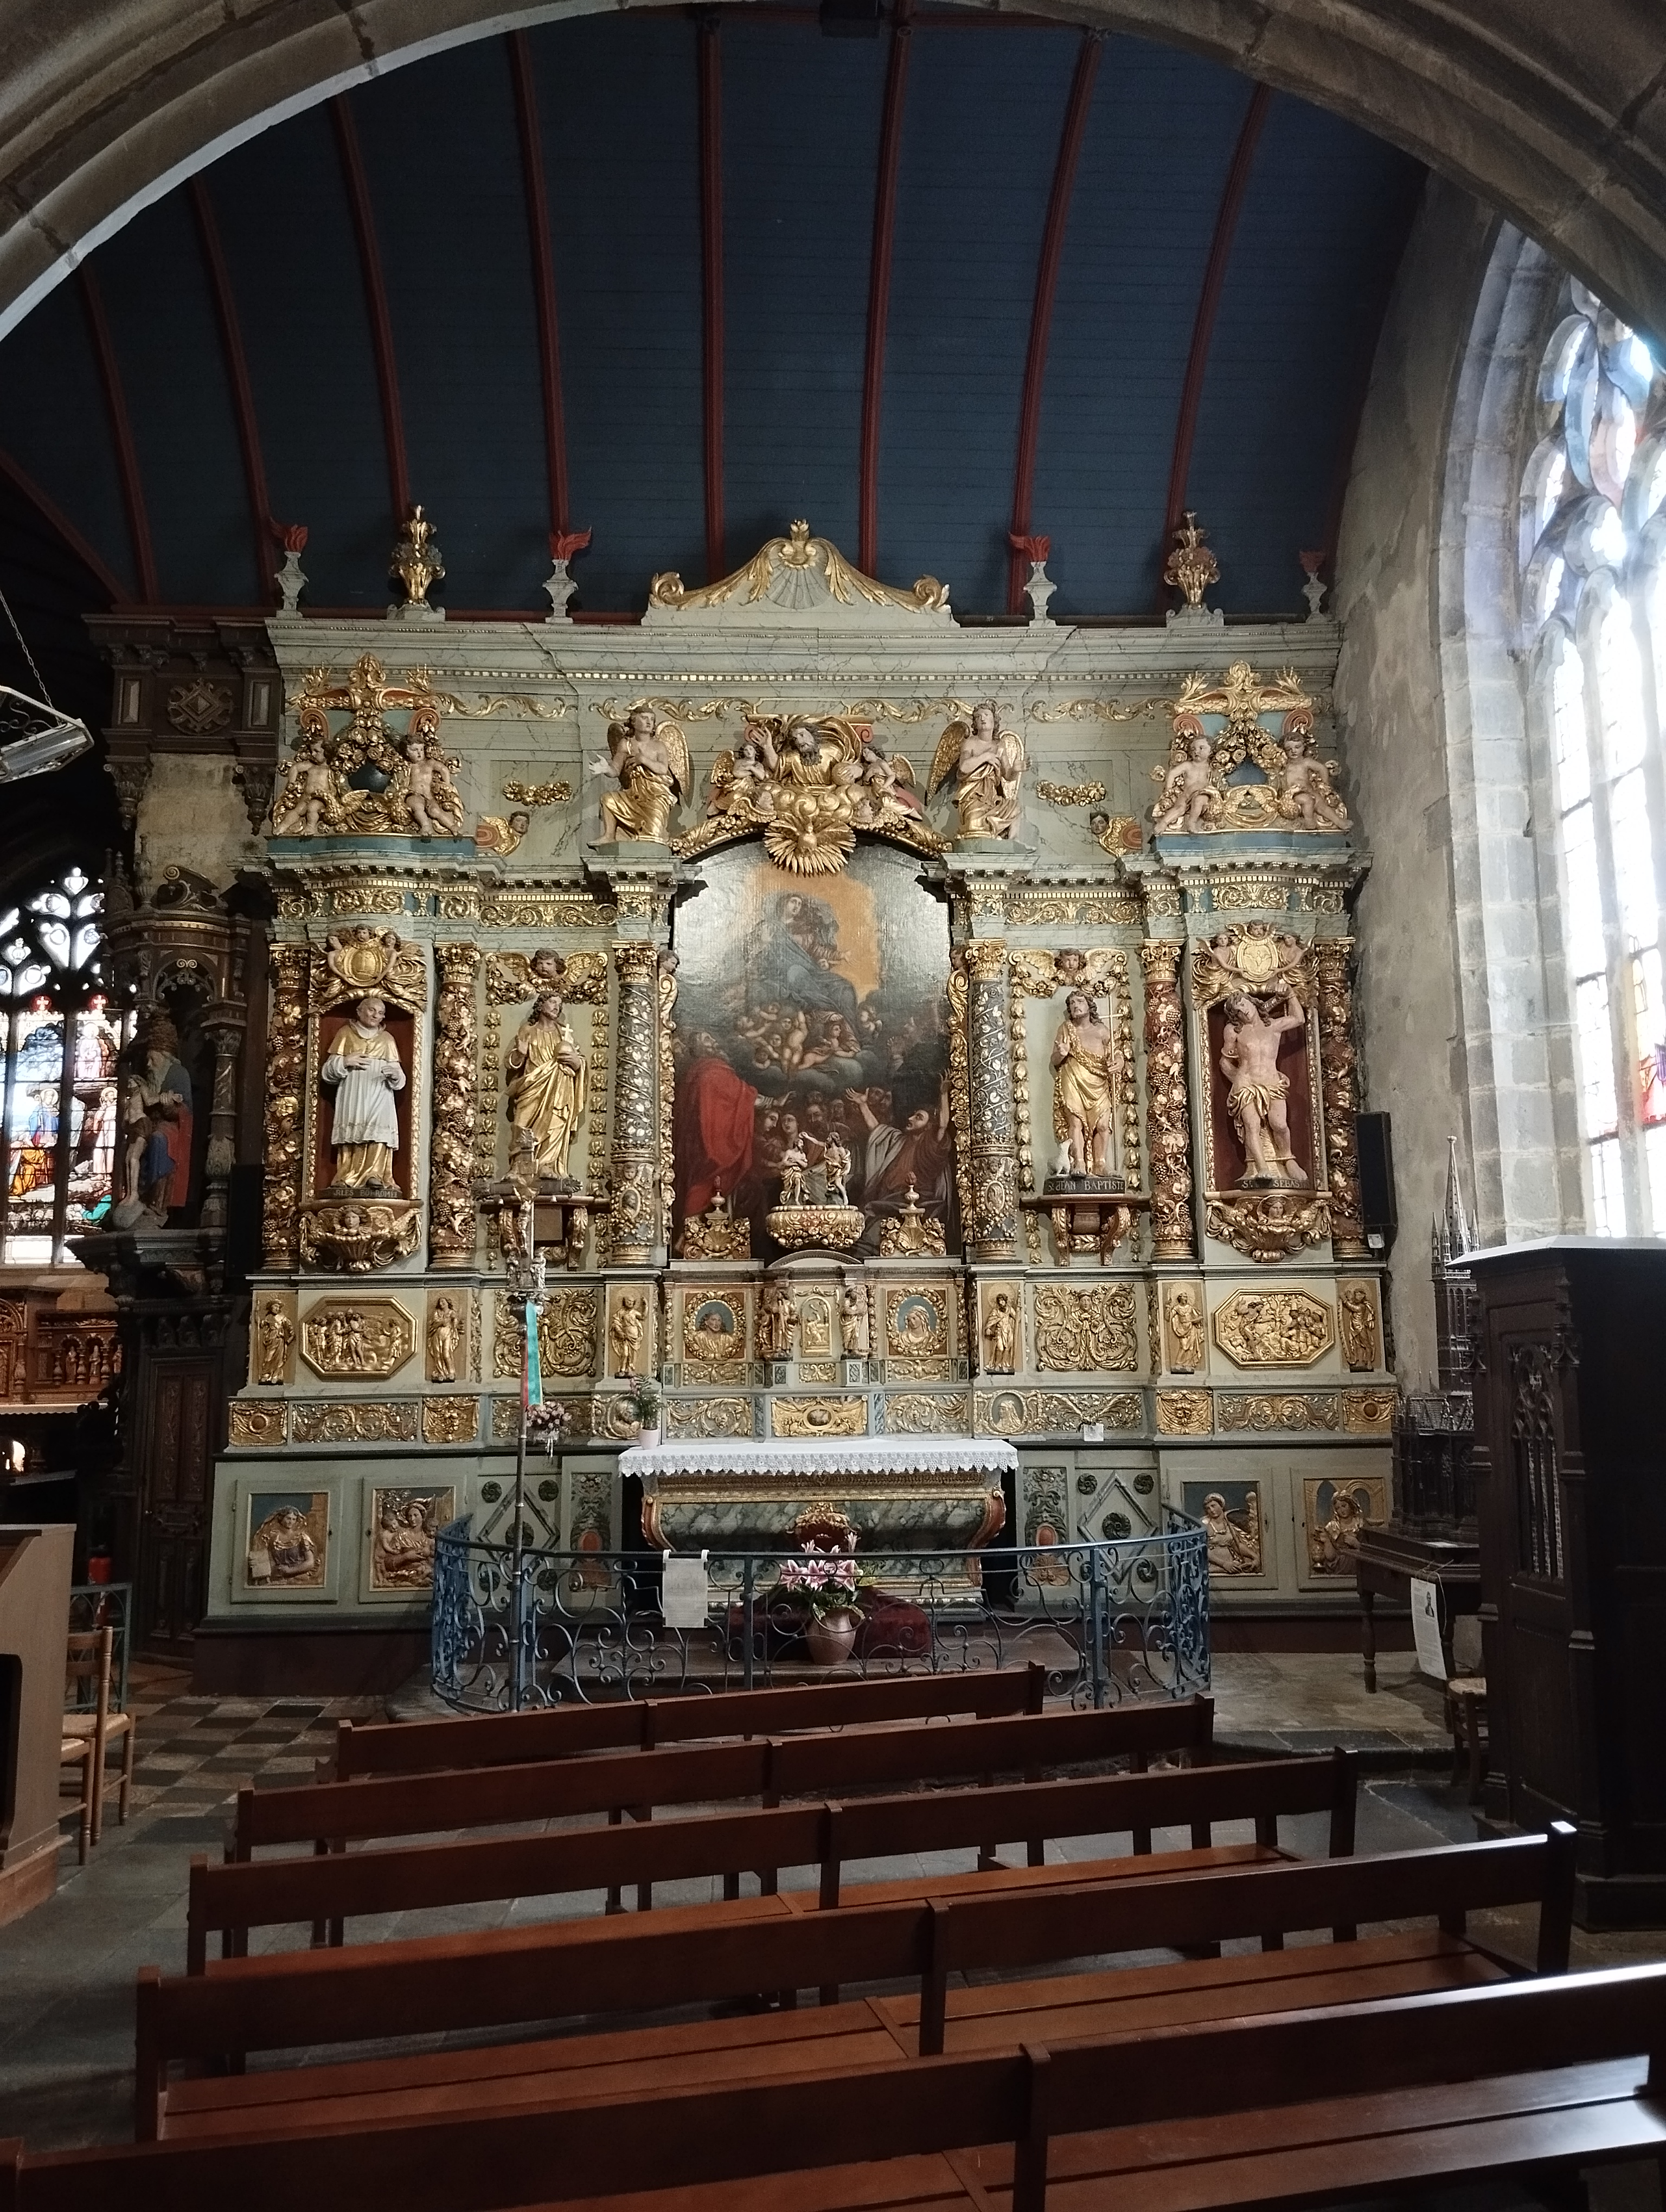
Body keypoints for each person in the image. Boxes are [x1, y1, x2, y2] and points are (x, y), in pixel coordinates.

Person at [1219, 991, 1308, 1185]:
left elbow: (1299, 1019)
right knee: (1252, 1127)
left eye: (1245, 1004)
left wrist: (1291, 994)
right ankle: (1262, 1169)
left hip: (1272, 1083)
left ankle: (1288, 1159)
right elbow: (1225, 1062)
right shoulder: (1234, 1031)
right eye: (1238, 1010)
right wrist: (1238, 1081)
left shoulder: (1273, 1026)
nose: (1244, 1011)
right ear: (1235, 1016)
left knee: (1279, 1124)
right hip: (1246, 1085)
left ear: (1253, 1003)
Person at [321, 995, 405, 1192]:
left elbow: (399, 1075)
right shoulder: (345, 1034)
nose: (376, 1016)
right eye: (372, 1010)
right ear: (359, 1011)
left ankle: (375, 1174)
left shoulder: (387, 1039)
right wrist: (345, 1062)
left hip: (380, 1092)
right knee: (353, 1128)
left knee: (378, 1132)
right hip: (353, 1091)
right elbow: (327, 1072)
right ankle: (347, 1175)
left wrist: (395, 1075)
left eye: (381, 1013)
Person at [505, 989, 587, 1182]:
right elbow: (512, 1064)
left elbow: (578, 1060)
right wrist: (520, 1053)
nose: (557, 1007)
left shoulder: (564, 1033)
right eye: (552, 1003)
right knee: (521, 1124)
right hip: (531, 1086)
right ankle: (518, 1166)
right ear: (541, 1005)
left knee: (555, 1123)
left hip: (559, 1088)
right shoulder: (528, 1030)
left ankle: (546, 1165)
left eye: (559, 1004)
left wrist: (577, 1063)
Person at [1050, 991, 1117, 1178]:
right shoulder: (1066, 1028)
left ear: (1089, 1005)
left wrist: (1118, 1062)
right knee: (1075, 1122)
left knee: (1103, 1125)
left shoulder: (1102, 1030)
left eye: (1080, 1001)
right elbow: (1055, 1060)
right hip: (1073, 1077)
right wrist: (1062, 1054)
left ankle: (1100, 1163)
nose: (1075, 1005)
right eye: (1072, 1003)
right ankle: (1079, 1162)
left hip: (1098, 1082)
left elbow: (1116, 1053)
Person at [1151, 727, 1219, 833]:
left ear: (1211, 751)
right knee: (1179, 808)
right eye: (1193, 749)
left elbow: (1217, 782)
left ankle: (1192, 822)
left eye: (1201, 748)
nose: (1197, 751)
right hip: (1186, 795)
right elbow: (1172, 773)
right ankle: (1164, 822)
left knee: (1199, 800)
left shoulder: (1210, 767)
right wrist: (1168, 789)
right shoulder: (1188, 765)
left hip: (1202, 795)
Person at [982, 1291, 1018, 1373]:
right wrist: (988, 1328)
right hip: (999, 1332)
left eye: (1002, 1300)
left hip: (1009, 1331)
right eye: (1000, 1301)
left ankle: (1004, 1364)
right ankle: (997, 1364)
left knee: (1007, 1348)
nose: (1001, 1302)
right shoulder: (996, 1312)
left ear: (1005, 1301)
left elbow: (1017, 1318)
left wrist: (1018, 1311)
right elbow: (990, 1321)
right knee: (1001, 1349)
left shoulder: (1010, 1309)